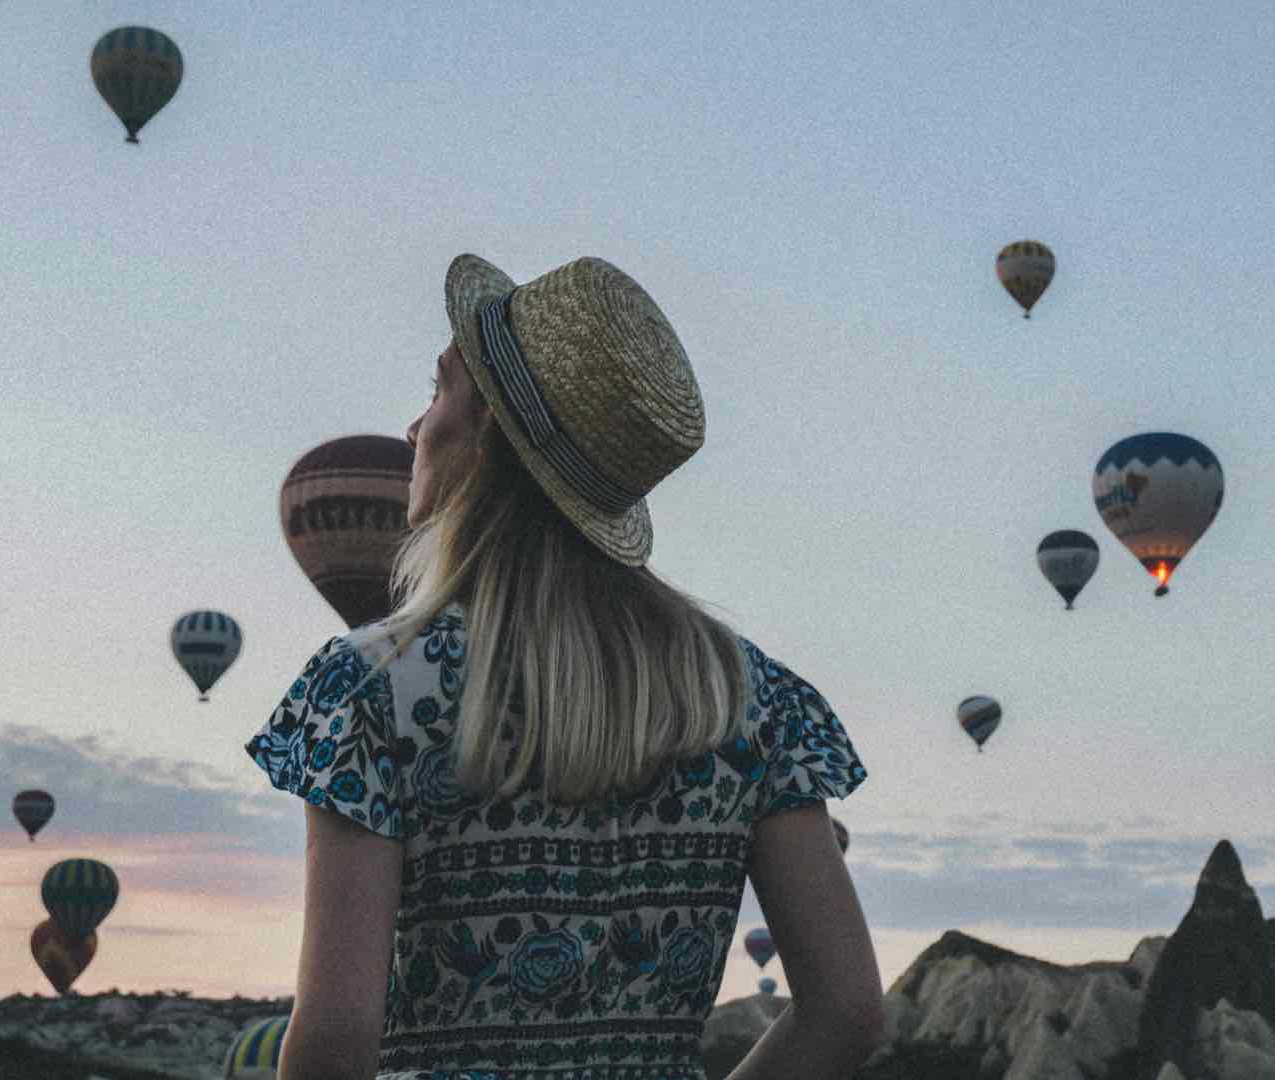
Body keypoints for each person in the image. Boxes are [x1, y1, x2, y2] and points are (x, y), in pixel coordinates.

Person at [247, 254, 882, 1080]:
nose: (415, 429)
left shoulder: (370, 689)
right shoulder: (752, 697)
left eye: (439, 391)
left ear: (490, 439)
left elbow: (335, 1039)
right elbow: (848, 1010)